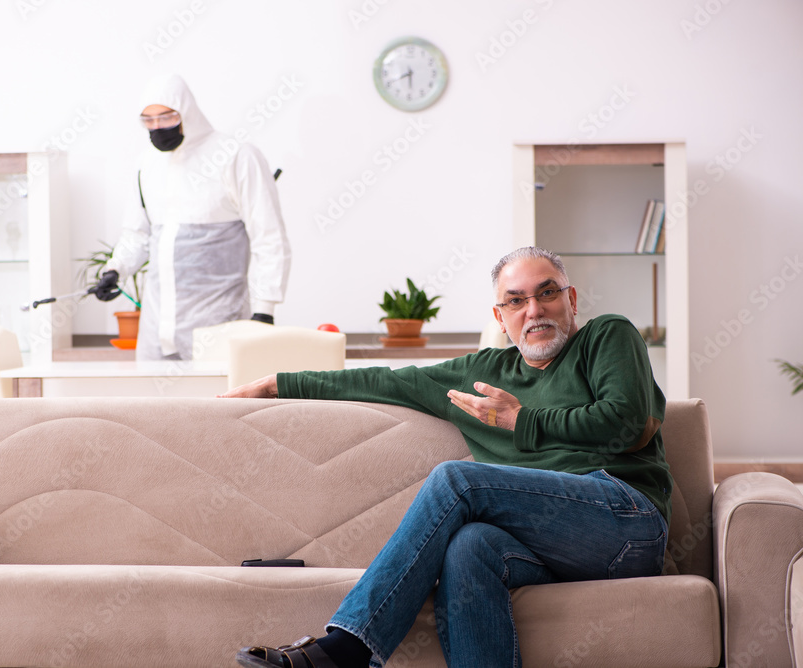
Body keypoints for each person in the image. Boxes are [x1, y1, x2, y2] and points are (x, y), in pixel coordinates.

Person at [223, 246, 673, 668]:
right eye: (516, 301)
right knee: (469, 546)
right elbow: (385, 381)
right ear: (500, 317)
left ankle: (348, 648)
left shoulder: (605, 336)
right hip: (550, 545)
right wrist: (275, 384)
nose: (534, 310)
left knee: (459, 479)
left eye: (547, 293)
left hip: (626, 524)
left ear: (571, 299)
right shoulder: (482, 375)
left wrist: (522, 420)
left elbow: (628, 423)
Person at [95, 73, 291, 360]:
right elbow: (137, 234)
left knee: (218, 389)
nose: (157, 127)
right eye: (148, 120)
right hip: (156, 330)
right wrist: (116, 269)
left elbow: (269, 236)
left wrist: (264, 310)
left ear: (187, 111)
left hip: (219, 324)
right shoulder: (147, 164)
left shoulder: (235, 156)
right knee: (152, 390)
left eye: (166, 117)